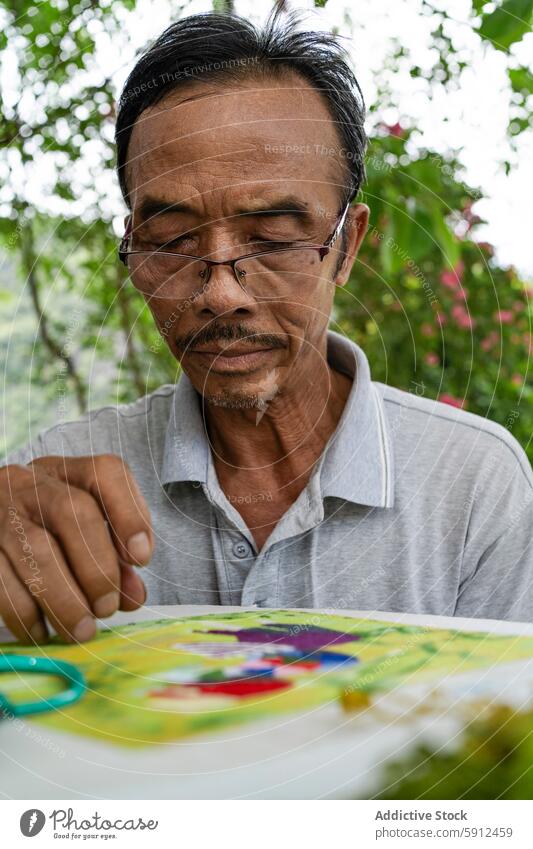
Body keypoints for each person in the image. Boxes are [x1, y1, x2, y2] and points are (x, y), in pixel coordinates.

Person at [1, 11, 532, 645]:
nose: (221, 293)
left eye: (275, 240)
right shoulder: (55, 484)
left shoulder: (474, 483)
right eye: (170, 242)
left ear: (346, 246)